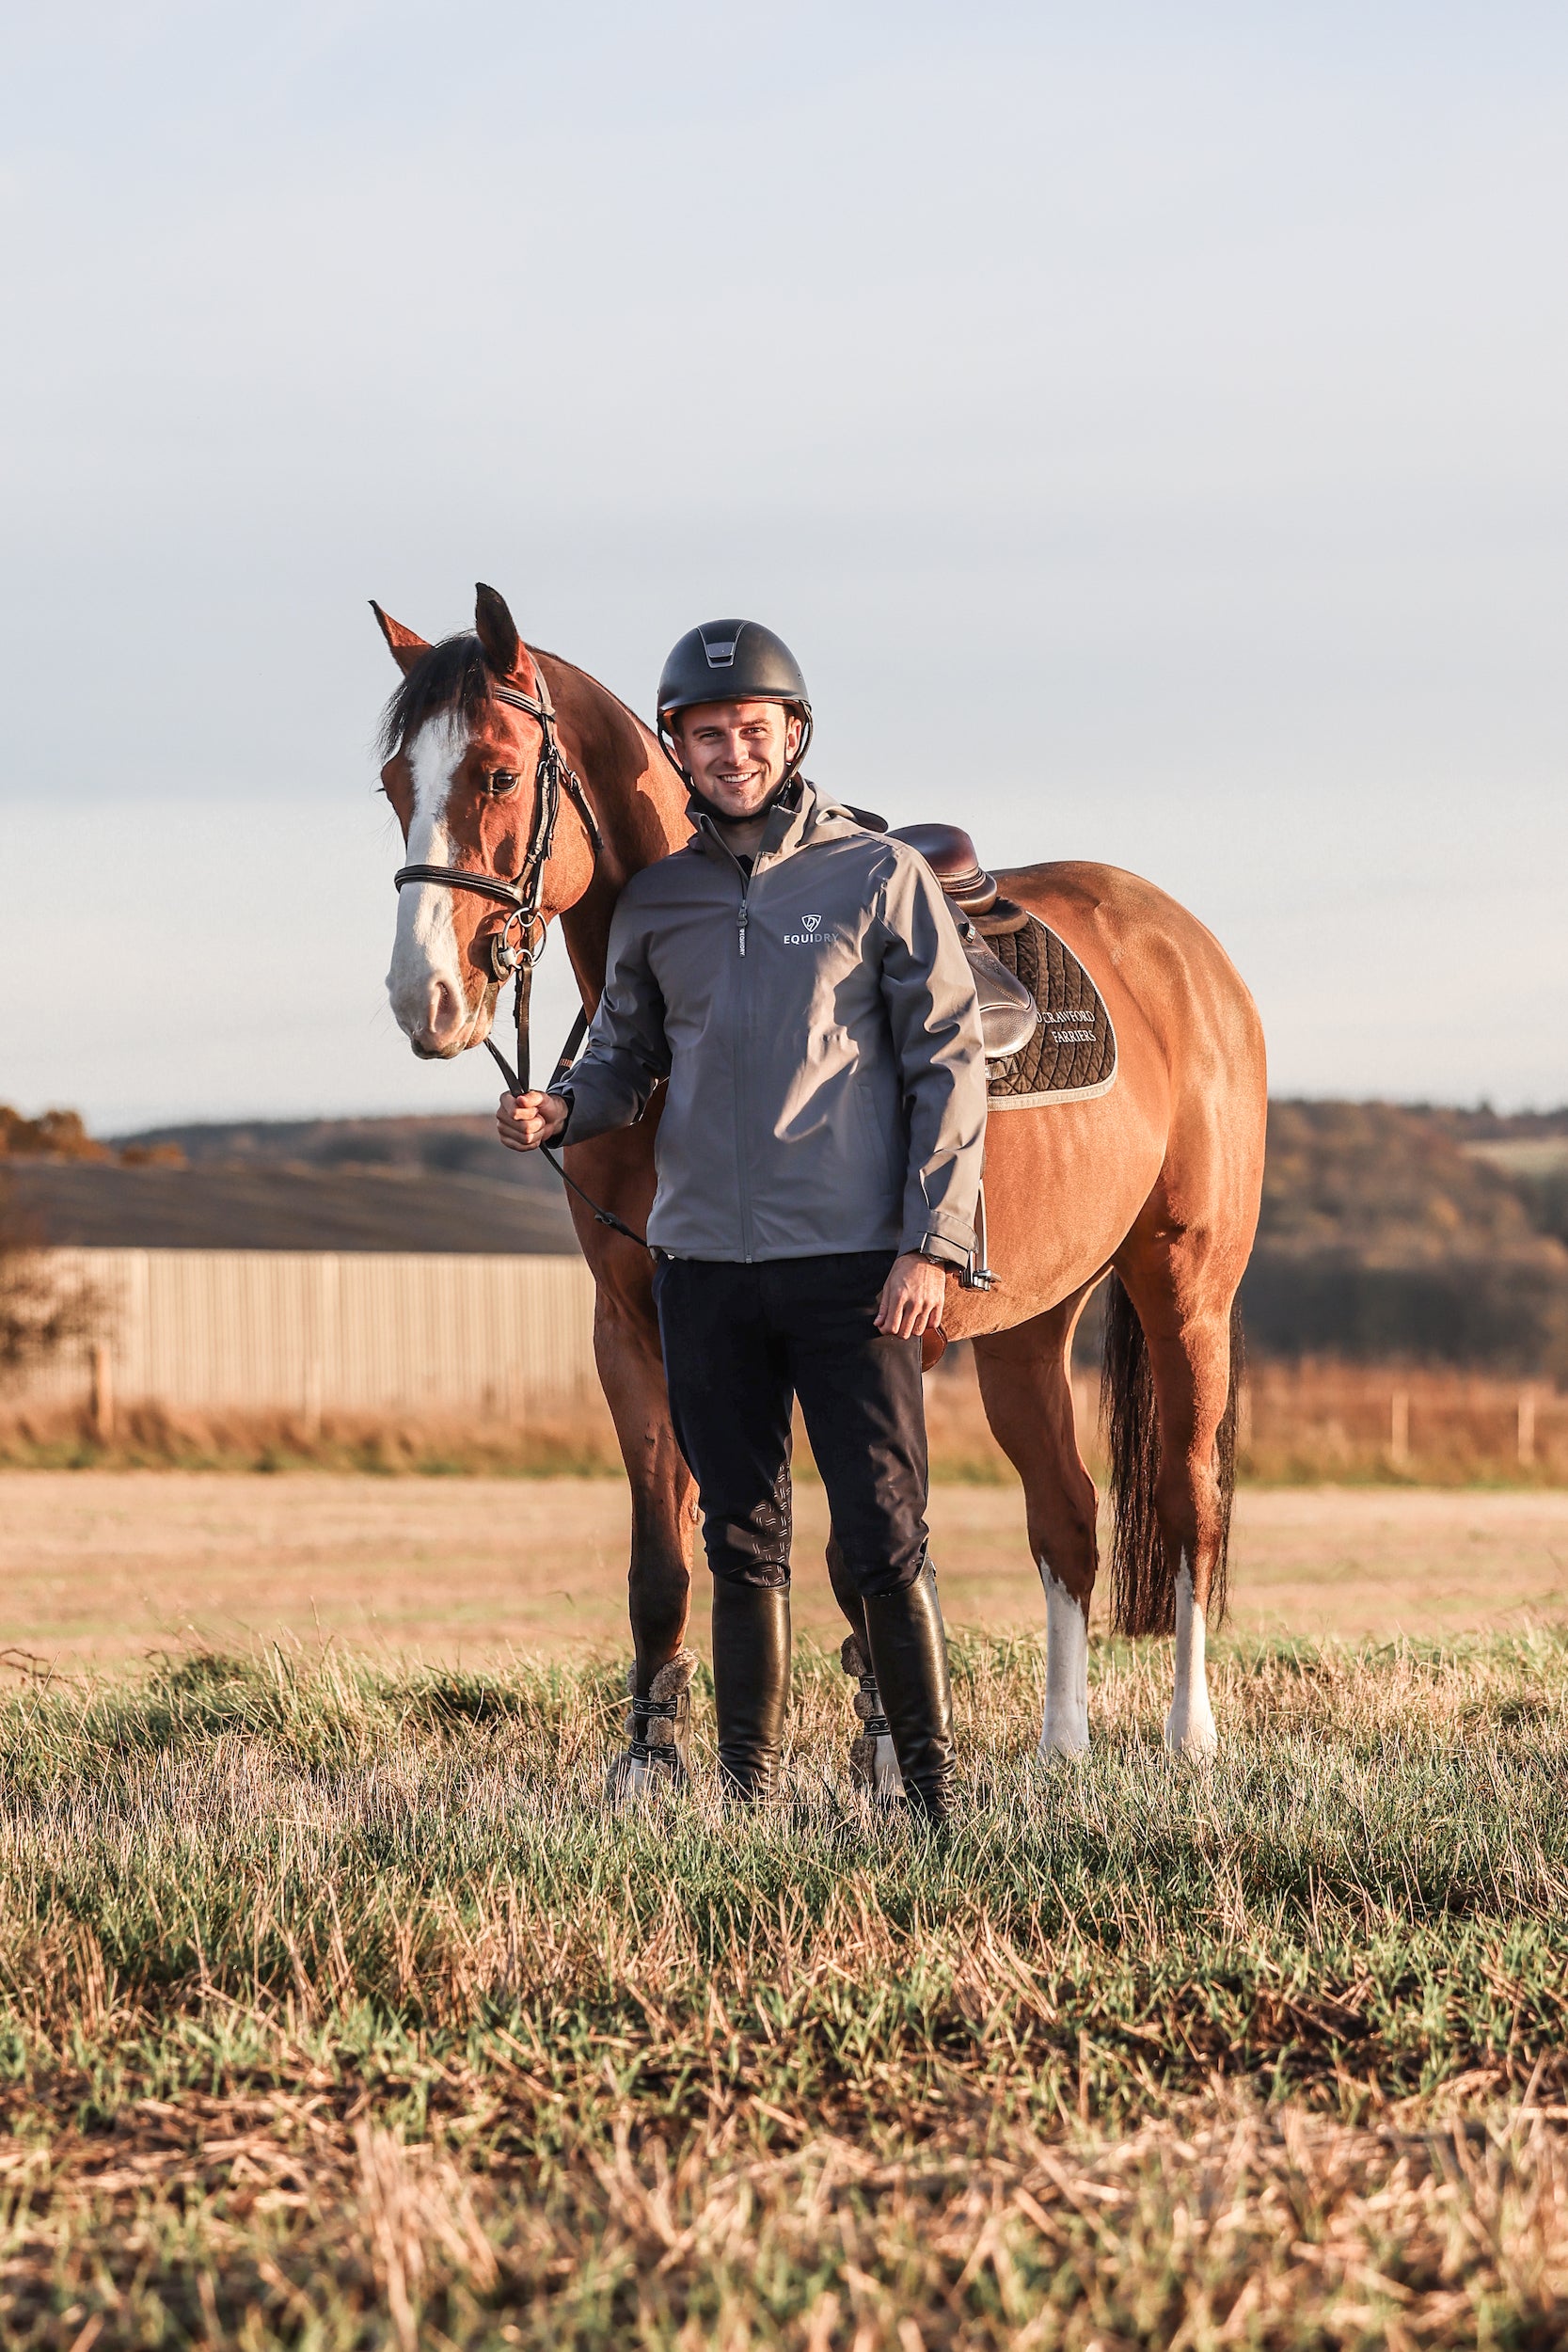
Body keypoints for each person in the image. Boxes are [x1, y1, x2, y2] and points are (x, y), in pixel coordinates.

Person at [498, 620, 986, 1821]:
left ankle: (928, 1800)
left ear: (792, 736)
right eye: (706, 734)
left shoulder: (877, 878)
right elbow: (621, 1059)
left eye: (750, 731)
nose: (730, 752)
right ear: (677, 747)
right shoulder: (656, 903)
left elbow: (947, 1063)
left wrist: (932, 1240)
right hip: (704, 1264)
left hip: (852, 1267)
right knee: (738, 1537)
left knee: (882, 1535)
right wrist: (561, 1108)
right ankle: (746, 1795)